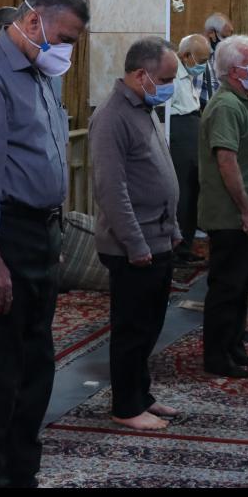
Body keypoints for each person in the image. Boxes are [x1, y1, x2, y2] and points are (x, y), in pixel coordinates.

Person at [0, 0, 89, 488]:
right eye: (66, 38)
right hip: (2, 237)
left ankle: (20, 473)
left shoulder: (41, 72)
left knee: (35, 364)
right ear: (33, 21)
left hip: (38, 233)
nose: (68, 50)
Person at [89, 37, 182, 429]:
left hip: (157, 236)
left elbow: (158, 170)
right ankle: (126, 407)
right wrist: (135, 243)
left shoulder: (144, 108)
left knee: (150, 325)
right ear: (142, 75)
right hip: (133, 244)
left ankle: (141, 394)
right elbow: (111, 189)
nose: (170, 87)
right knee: (131, 329)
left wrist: (173, 225)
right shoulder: (112, 116)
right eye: (167, 79)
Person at [198, 35, 248, 378]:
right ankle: (217, 356)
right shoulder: (226, 105)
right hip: (231, 215)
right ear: (234, 71)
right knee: (227, 287)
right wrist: (246, 211)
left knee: (241, 286)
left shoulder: (244, 101)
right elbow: (227, 162)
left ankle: (234, 346)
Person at [169, 33, 211, 266]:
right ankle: (177, 249)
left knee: (193, 191)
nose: (204, 66)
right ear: (186, 56)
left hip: (192, 127)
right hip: (180, 132)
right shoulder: (172, 74)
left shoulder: (187, 73)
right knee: (184, 193)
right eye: (201, 60)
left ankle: (186, 245)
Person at [200, 12, 234, 107]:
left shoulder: (225, 55)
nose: (228, 42)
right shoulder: (198, 57)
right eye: (224, 37)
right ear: (211, 33)